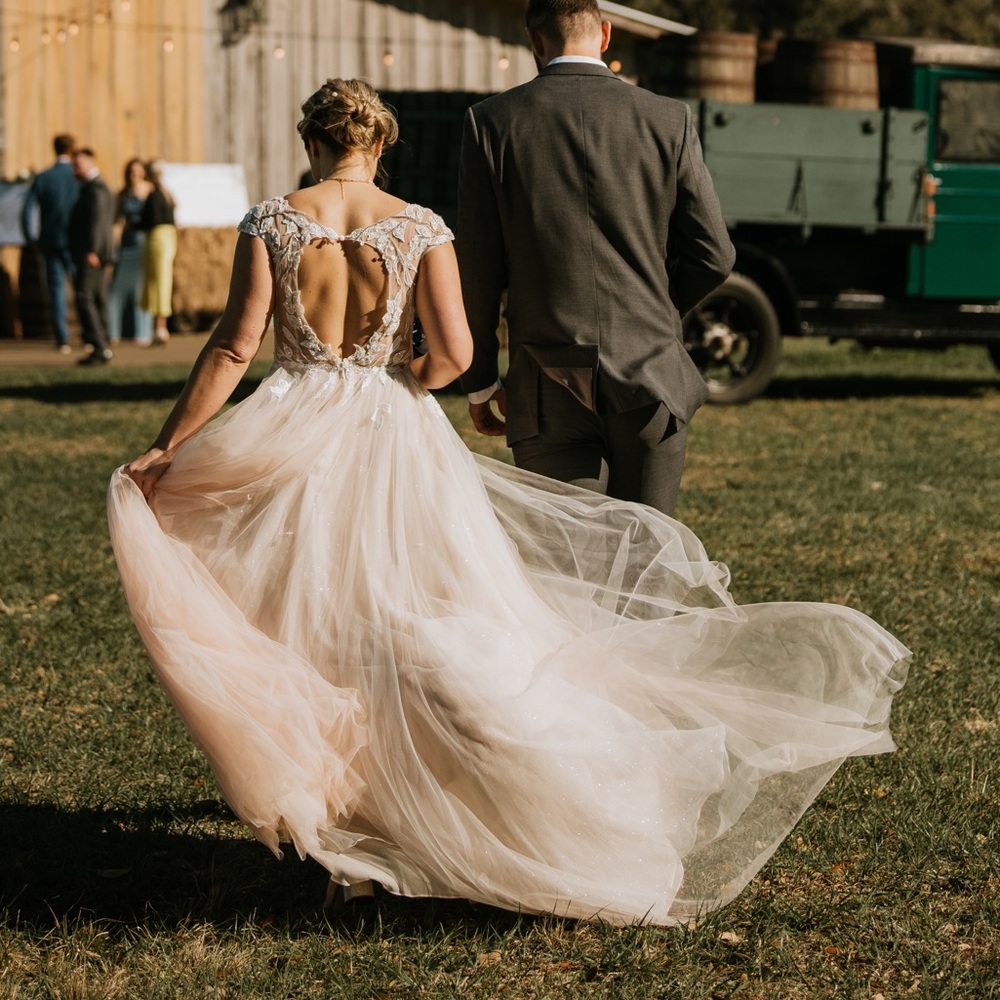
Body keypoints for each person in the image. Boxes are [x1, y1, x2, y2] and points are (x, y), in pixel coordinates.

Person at [108, 78, 908, 927]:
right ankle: (397, 820)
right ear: (381, 143)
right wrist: (401, 379)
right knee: (416, 622)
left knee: (309, 623)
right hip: (388, 430)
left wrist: (170, 446)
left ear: (313, 141)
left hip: (290, 420)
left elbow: (235, 344)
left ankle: (342, 828)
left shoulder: (273, 220)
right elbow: (455, 352)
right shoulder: (418, 227)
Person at [457, 0, 735, 517]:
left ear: (535, 42)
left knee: (574, 565)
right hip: (651, 370)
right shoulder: (668, 118)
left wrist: (479, 379)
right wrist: (655, 310)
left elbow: (477, 267)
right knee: (649, 559)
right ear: (606, 35)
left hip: (545, 380)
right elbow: (714, 254)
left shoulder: (490, 123)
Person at [19, 134, 80, 353]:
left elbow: (27, 211)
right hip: (75, 241)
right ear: (71, 150)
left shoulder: (44, 177)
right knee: (81, 286)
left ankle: (62, 338)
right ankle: (88, 335)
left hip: (51, 239)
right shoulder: (76, 176)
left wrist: (30, 237)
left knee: (56, 289)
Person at [68, 147, 115, 365]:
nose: (74, 170)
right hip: (95, 252)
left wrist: (93, 250)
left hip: (92, 253)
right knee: (97, 297)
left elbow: (97, 222)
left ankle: (99, 345)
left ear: (90, 163)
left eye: (77, 165)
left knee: (84, 296)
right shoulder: (96, 187)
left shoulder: (96, 189)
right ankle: (102, 344)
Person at [108, 158, 154, 346]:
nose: (133, 175)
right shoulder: (122, 194)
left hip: (143, 243)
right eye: (130, 172)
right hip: (126, 244)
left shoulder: (150, 191)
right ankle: (115, 331)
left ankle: (141, 332)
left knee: (140, 289)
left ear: (143, 172)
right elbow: (117, 221)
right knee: (117, 289)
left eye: (137, 171)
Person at [139, 160, 178, 346]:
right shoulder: (167, 194)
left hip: (157, 238)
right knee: (162, 280)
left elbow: (149, 220)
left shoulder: (154, 195)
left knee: (157, 282)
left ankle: (159, 328)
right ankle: (160, 327)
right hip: (169, 237)